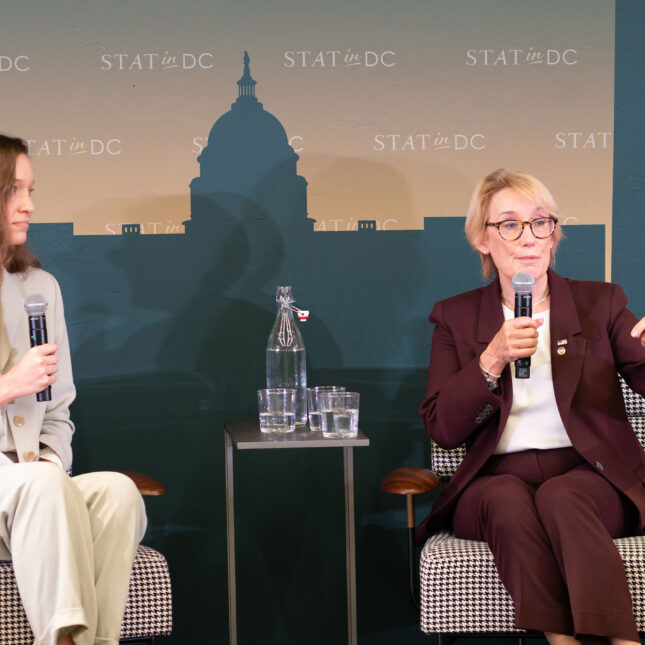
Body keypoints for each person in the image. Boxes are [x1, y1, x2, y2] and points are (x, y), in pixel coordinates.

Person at [418, 168, 645, 645]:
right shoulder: (454, 316)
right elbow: (442, 427)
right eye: (510, 224)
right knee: (506, 500)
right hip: (493, 480)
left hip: (591, 475)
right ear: (483, 240)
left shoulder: (599, 304)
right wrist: (491, 359)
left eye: (541, 222)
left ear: (553, 233)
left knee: (561, 497)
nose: (529, 237)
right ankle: (562, 642)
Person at [0, 133, 147, 645]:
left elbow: (58, 407)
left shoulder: (39, 288)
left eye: (31, 190)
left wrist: (50, 461)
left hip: (28, 480)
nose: (30, 206)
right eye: (14, 191)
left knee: (118, 493)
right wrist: (6, 386)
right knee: (41, 488)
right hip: (12, 486)